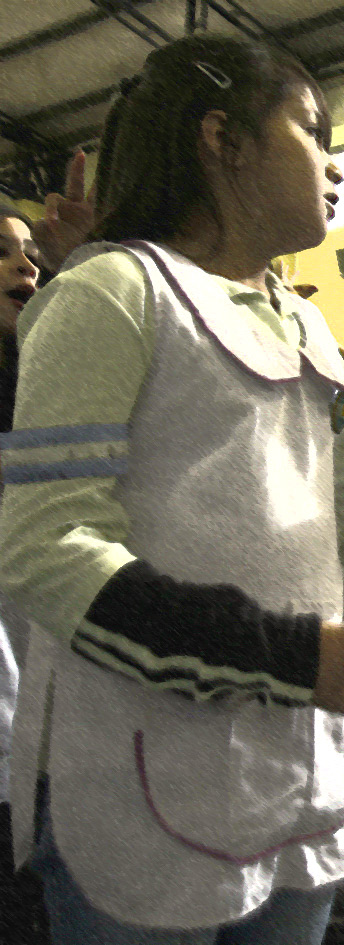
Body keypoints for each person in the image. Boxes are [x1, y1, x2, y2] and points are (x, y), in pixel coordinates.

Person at [0, 36, 344, 942]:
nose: (335, 162)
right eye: (312, 130)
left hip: (293, 775)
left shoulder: (303, 322)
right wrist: (287, 654)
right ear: (222, 140)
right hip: (138, 777)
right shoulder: (111, 292)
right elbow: (46, 550)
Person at [0, 205, 48, 945]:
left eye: (30, 250)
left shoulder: (40, 388)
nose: (25, 264)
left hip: (39, 721)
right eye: (2, 251)